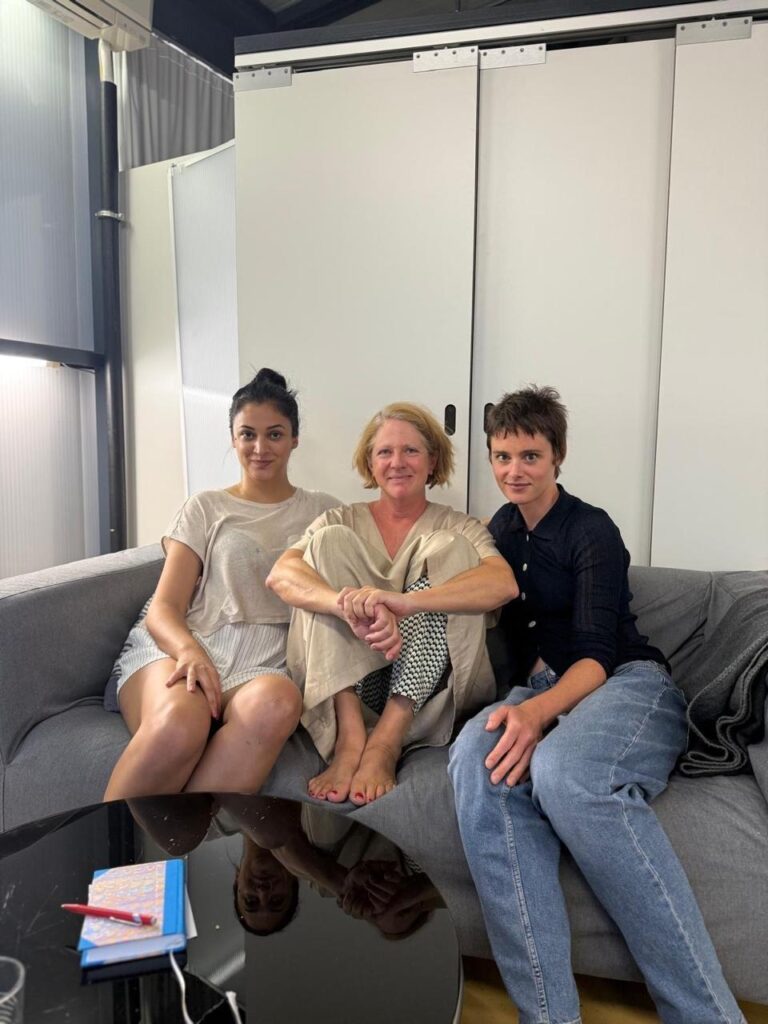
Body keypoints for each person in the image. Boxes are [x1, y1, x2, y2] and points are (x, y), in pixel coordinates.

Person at [448, 386, 745, 1024]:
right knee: (474, 759)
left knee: (565, 773)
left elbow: (597, 654)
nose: (514, 471)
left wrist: (536, 715)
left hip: (624, 684)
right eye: (502, 457)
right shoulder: (500, 531)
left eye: (530, 456)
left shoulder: (591, 529)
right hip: (543, 691)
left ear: (557, 456)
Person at [103, 369, 339, 801]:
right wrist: (190, 652)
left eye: (274, 434)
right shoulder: (205, 507)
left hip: (267, 661)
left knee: (277, 705)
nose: (260, 448)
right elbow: (164, 608)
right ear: (233, 438)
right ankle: (110, 849)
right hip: (186, 642)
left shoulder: (324, 512)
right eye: (248, 434)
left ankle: (187, 840)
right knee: (181, 722)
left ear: (294, 439)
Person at [267, 402, 518, 806]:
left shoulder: (459, 526)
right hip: (352, 683)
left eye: (411, 451)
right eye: (385, 452)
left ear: (432, 460)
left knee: (454, 552)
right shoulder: (340, 519)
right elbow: (281, 574)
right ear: (370, 462)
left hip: (426, 694)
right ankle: (350, 738)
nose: (397, 462)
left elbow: (502, 584)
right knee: (327, 544)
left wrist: (406, 603)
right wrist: (344, 605)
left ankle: (385, 742)